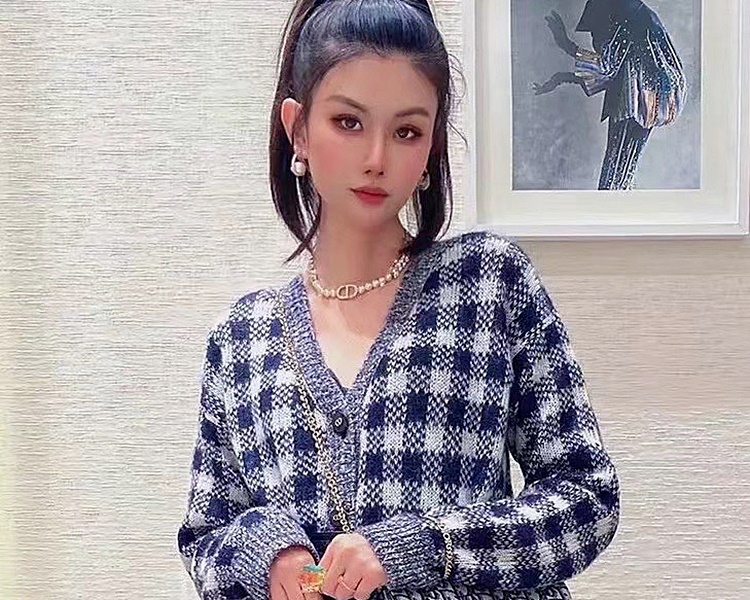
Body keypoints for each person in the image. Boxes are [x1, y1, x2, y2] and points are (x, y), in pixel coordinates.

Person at [177, 1, 621, 599]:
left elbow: (587, 497)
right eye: (348, 122)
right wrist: (267, 556)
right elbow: (205, 538)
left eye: (407, 131)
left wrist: (428, 547)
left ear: (432, 145)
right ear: (298, 128)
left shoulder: (488, 283)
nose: (377, 159)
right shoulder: (242, 337)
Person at [532, 0, 687, 190]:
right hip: (646, 104)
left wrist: (566, 45)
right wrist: (562, 77)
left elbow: (606, 67)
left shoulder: (626, 15)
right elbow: (615, 69)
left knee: (615, 176)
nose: (595, 39)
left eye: (594, 32)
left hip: (634, 105)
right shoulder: (639, 13)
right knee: (623, 173)